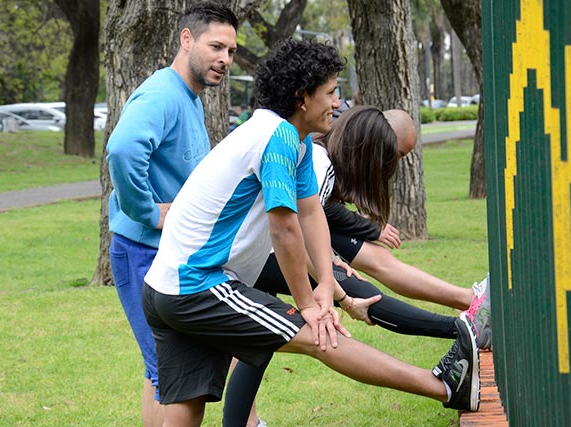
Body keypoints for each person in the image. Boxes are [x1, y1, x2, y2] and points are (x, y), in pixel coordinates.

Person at [141, 38, 480, 426]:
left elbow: (310, 216)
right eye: (331, 92)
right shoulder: (278, 139)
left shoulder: (295, 140)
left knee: (187, 410)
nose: (338, 103)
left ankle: (448, 383)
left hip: (165, 287)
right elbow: (284, 230)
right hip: (197, 285)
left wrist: (333, 293)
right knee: (321, 336)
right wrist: (309, 305)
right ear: (303, 97)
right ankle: (447, 387)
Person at [223, 105, 490, 427]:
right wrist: (338, 291)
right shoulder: (318, 163)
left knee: (259, 339)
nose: (334, 104)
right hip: (255, 255)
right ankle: (464, 330)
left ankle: (241, 424)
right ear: (370, 155)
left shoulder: (318, 157)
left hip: (250, 254)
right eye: (391, 159)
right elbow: (291, 231)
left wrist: (332, 264)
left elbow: (311, 225)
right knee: (354, 297)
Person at [105, 2, 238, 427]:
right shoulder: (161, 93)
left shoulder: (191, 98)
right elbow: (123, 150)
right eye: (216, 46)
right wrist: (147, 211)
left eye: (231, 51)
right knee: (174, 372)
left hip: (170, 255)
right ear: (186, 39)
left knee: (162, 369)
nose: (225, 59)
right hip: (142, 250)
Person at [317, 106, 492, 349]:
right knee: (360, 293)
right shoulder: (320, 161)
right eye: (397, 155)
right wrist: (341, 292)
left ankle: (471, 303)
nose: (394, 165)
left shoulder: (333, 155)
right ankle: (469, 330)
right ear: (376, 148)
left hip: (281, 244)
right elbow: (310, 214)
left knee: (377, 262)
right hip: (271, 250)